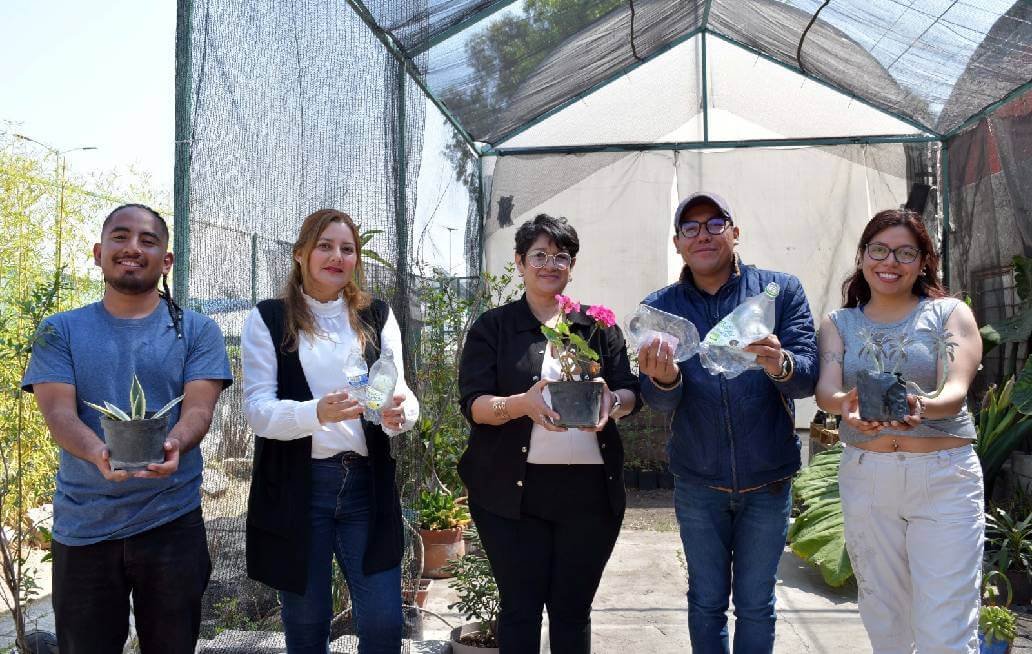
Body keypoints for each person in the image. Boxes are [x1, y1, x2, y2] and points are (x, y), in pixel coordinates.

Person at [21, 203, 233, 654]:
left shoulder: (197, 331)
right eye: (120, 237)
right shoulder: (59, 331)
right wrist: (98, 451)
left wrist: (175, 440)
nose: (133, 248)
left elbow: (199, 408)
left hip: (172, 522)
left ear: (167, 260)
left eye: (148, 240)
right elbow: (58, 413)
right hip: (84, 526)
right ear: (98, 253)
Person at [637, 192, 818, 653]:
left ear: (736, 233)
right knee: (705, 602)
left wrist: (780, 364)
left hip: (768, 480)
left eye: (715, 223)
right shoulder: (662, 309)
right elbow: (658, 403)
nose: (704, 234)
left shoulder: (778, 291)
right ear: (677, 243)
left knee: (757, 604)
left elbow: (808, 377)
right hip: (698, 481)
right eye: (691, 227)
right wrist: (664, 379)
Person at [457, 213, 640, 653]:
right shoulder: (493, 328)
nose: (549, 264)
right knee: (519, 609)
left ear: (572, 266)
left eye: (561, 256)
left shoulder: (595, 327)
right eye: (538, 255)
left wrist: (611, 402)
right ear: (520, 262)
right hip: (512, 497)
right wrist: (522, 404)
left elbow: (630, 390)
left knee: (573, 610)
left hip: (590, 495)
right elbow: (474, 405)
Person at [241, 208, 419, 654]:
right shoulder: (269, 319)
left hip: (365, 484)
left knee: (382, 622)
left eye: (347, 248)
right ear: (301, 254)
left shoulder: (376, 314)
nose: (337, 256)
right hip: (300, 488)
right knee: (306, 622)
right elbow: (258, 412)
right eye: (325, 246)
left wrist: (402, 414)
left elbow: (397, 388)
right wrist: (315, 413)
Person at [815, 209, 983, 652]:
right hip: (868, 475)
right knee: (884, 617)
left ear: (925, 261)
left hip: (945, 476)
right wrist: (846, 407)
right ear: (863, 255)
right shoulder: (839, 323)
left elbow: (956, 390)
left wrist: (921, 407)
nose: (891, 262)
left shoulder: (949, 313)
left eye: (906, 252)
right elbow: (827, 392)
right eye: (880, 250)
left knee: (946, 624)